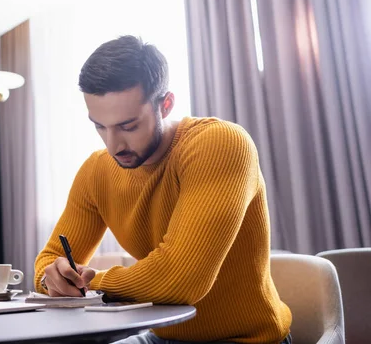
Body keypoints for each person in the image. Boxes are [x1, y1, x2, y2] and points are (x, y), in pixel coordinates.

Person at [33, 36, 292, 344]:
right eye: (100, 126)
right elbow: (49, 259)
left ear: (166, 104)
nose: (113, 145)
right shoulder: (95, 171)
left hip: (246, 340)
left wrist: (91, 287)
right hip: (159, 337)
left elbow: (180, 281)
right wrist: (54, 279)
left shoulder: (219, 144)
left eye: (128, 126)